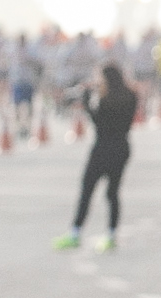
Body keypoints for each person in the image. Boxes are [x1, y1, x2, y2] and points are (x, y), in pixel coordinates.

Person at [56, 63, 141, 251]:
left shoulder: (105, 100)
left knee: (87, 191)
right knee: (112, 193)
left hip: (102, 149)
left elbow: (99, 123)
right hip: (122, 148)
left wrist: (87, 100)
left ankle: (75, 233)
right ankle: (111, 235)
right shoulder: (130, 96)